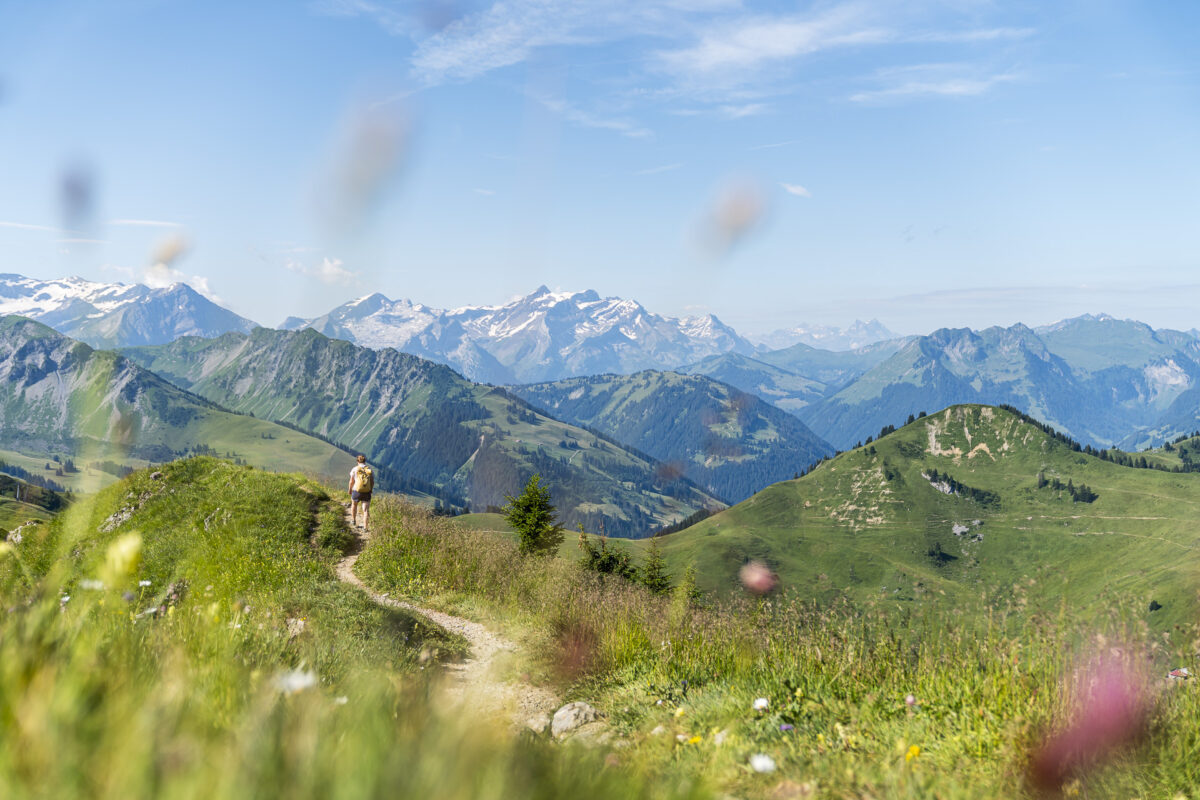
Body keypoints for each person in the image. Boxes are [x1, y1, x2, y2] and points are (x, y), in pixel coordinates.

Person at [348, 455, 375, 530]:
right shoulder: (369, 469)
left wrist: (350, 489)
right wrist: (371, 489)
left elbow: (351, 481)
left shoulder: (355, 469)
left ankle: (353, 520)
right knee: (365, 510)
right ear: (365, 461)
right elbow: (372, 481)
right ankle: (365, 528)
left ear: (357, 461)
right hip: (367, 492)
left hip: (357, 491)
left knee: (354, 504)